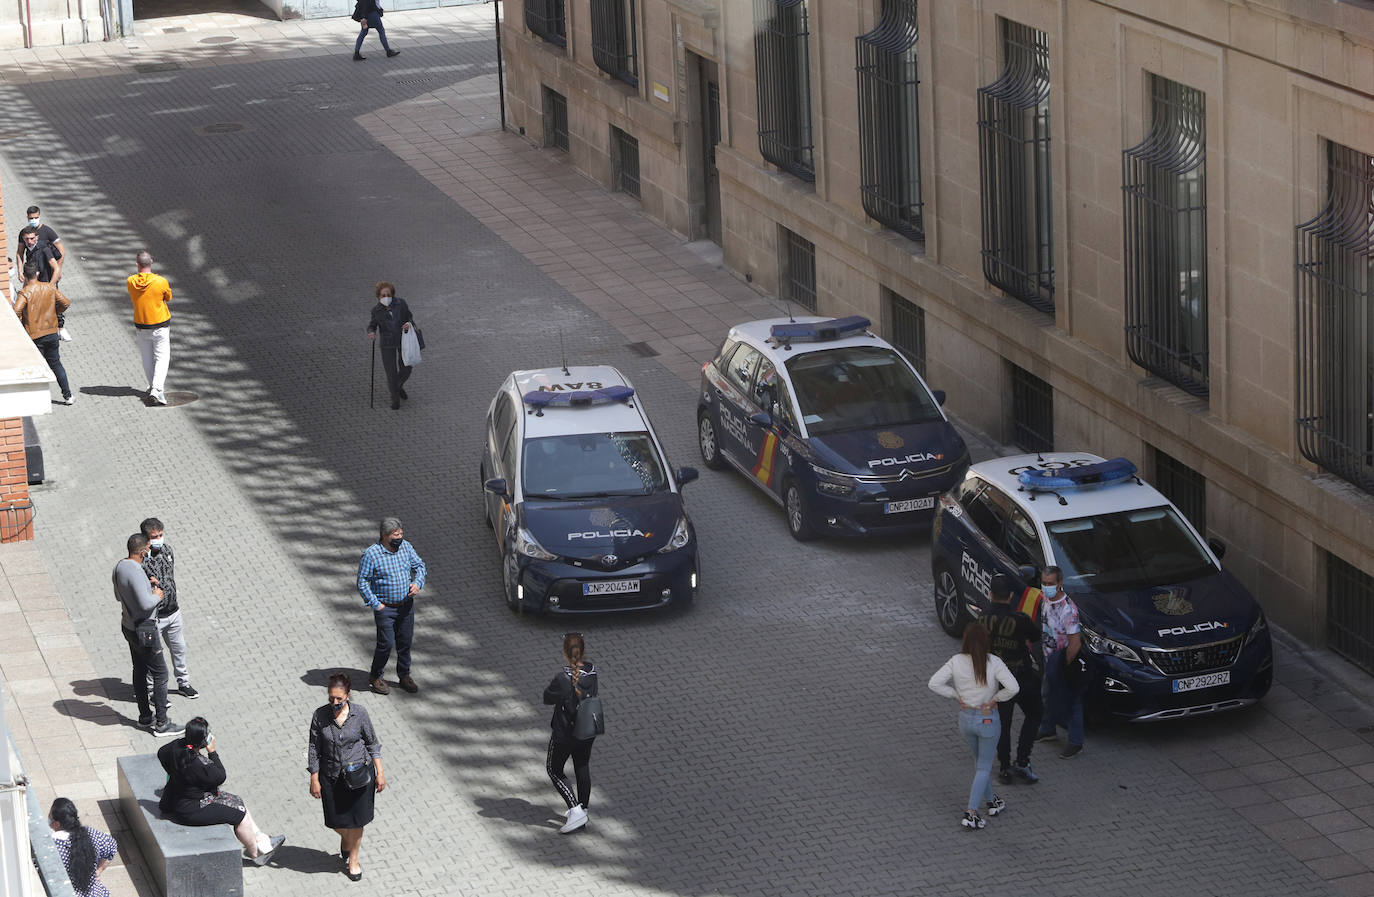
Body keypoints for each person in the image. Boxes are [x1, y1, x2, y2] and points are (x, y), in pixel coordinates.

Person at [928, 622, 1020, 830]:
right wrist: (996, 698)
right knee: (984, 766)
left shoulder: (956, 661)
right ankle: (971, 813)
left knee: (980, 762)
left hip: (966, 718)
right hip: (987, 719)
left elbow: (934, 683)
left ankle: (992, 801)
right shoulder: (994, 662)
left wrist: (955, 695)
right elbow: (1014, 687)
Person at [157, 717, 284, 865]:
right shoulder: (198, 764)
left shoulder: (176, 748)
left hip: (179, 798)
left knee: (237, 800)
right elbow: (220, 775)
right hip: (191, 808)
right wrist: (212, 751)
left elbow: (161, 753)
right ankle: (256, 853)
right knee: (240, 814)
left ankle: (262, 839)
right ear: (204, 740)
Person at [308, 673, 385, 882]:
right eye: (331, 698)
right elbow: (314, 748)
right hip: (331, 775)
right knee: (334, 820)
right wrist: (314, 777)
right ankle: (347, 841)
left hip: (359, 774)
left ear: (348, 695)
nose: (335, 703)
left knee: (358, 820)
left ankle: (353, 859)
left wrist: (380, 772)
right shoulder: (320, 716)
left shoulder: (360, 714)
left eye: (339, 699)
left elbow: (372, 743)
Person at [112, 533, 181, 736]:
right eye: (149, 549)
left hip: (128, 626)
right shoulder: (136, 570)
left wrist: (145, 587)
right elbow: (145, 604)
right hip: (145, 630)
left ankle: (144, 716)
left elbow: (119, 595)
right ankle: (162, 722)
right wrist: (156, 595)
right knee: (161, 673)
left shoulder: (120, 567)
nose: (151, 551)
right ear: (143, 552)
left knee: (139, 670)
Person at [978, 574, 1043, 784]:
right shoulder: (1020, 619)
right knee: (1034, 714)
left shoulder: (982, 618)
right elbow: (1035, 636)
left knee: (1003, 725)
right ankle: (1023, 761)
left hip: (997, 681)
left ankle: (1004, 768)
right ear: (1011, 596)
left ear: (990, 594)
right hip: (1021, 676)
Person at [357, 517, 427, 695]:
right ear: (384, 535)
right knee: (386, 644)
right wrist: (376, 604)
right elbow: (363, 582)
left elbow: (419, 566)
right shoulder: (371, 554)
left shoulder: (406, 548)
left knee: (405, 642)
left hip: (405, 606)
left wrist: (418, 583)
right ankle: (375, 676)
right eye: (396, 535)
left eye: (401, 534)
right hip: (385, 608)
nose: (400, 537)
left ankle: (404, 675)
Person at [543, 632, 599, 834]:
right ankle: (583, 809)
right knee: (582, 766)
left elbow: (547, 697)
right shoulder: (592, 671)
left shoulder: (562, 678)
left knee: (554, 769)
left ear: (564, 653)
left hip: (565, 732)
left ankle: (575, 811)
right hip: (587, 729)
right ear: (582, 651)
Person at [140, 517, 196, 699]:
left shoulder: (167, 550)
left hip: (173, 612)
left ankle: (183, 683)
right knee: (154, 656)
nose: (159, 539)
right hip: (155, 617)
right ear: (145, 538)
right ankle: (150, 690)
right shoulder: (141, 560)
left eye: (161, 535)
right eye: (154, 536)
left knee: (179, 648)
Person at [1035, 565, 1087, 759]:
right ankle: (1048, 729)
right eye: (1044, 583)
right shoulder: (1046, 600)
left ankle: (1075, 742)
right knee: (1047, 694)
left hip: (1062, 664)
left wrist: (1064, 668)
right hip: (1050, 660)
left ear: (1060, 583)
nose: (1046, 587)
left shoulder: (1068, 611)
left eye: (1050, 584)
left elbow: (1074, 644)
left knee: (1071, 701)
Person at [13, 263, 73, 405]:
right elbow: (65, 303)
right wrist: (54, 312)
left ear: (24, 276)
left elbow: (16, 311)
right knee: (56, 364)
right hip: (51, 332)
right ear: (37, 274)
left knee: (36, 367)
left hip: (34, 336)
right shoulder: (49, 287)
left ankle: (38, 399)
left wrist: (23, 323)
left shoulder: (25, 293)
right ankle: (68, 395)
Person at [126, 251, 172, 405]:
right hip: (160, 325)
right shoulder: (161, 281)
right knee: (162, 357)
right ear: (151, 262)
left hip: (141, 326)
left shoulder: (131, 281)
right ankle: (157, 390)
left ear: (137, 264)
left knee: (147, 357)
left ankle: (153, 386)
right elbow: (168, 297)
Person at [48, 797, 117, 897]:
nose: (48, 819)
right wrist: (98, 871)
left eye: (50, 816)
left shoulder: (54, 847)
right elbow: (112, 846)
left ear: (57, 824)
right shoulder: (90, 833)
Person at [366, 282, 415, 410]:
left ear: (392, 295)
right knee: (391, 372)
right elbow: (372, 325)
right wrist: (371, 332)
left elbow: (409, 317)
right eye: (383, 295)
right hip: (387, 344)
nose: (386, 297)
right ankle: (395, 399)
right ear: (378, 297)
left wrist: (408, 324)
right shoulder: (376, 311)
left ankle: (397, 386)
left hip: (403, 340)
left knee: (407, 368)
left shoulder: (401, 304)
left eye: (388, 295)